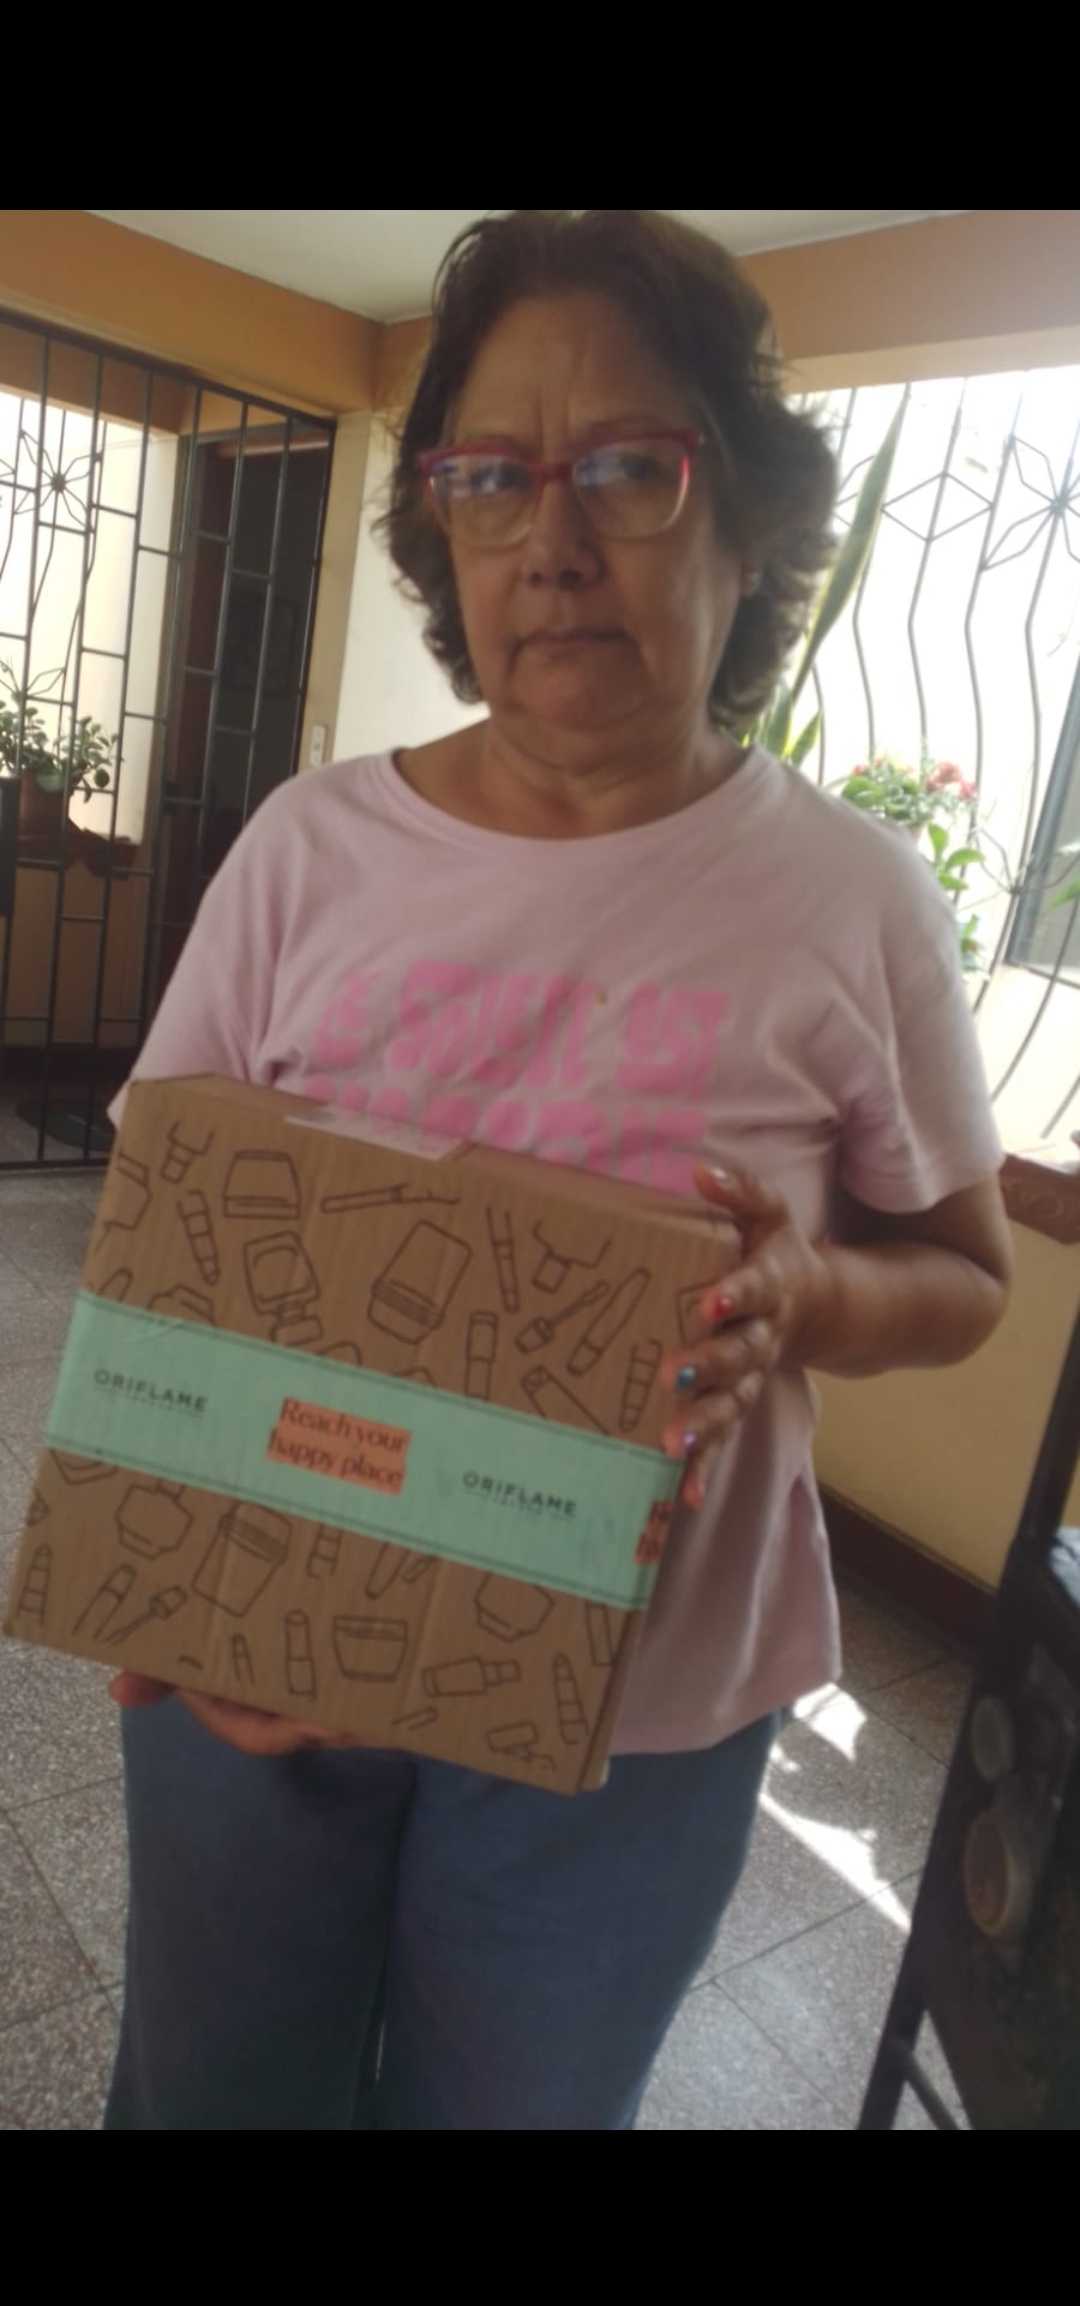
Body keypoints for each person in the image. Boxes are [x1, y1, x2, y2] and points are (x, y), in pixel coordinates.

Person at [104, 210, 1011, 2131]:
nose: (554, 537)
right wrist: (169, 1569)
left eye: (627, 467)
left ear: (748, 520)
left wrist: (811, 1295)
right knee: (213, 2094)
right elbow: (162, 1230)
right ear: (443, 532)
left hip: (636, 1718)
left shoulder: (853, 902)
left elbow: (965, 1275)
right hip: (275, 1637)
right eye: (493, 477)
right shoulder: (307, 850)